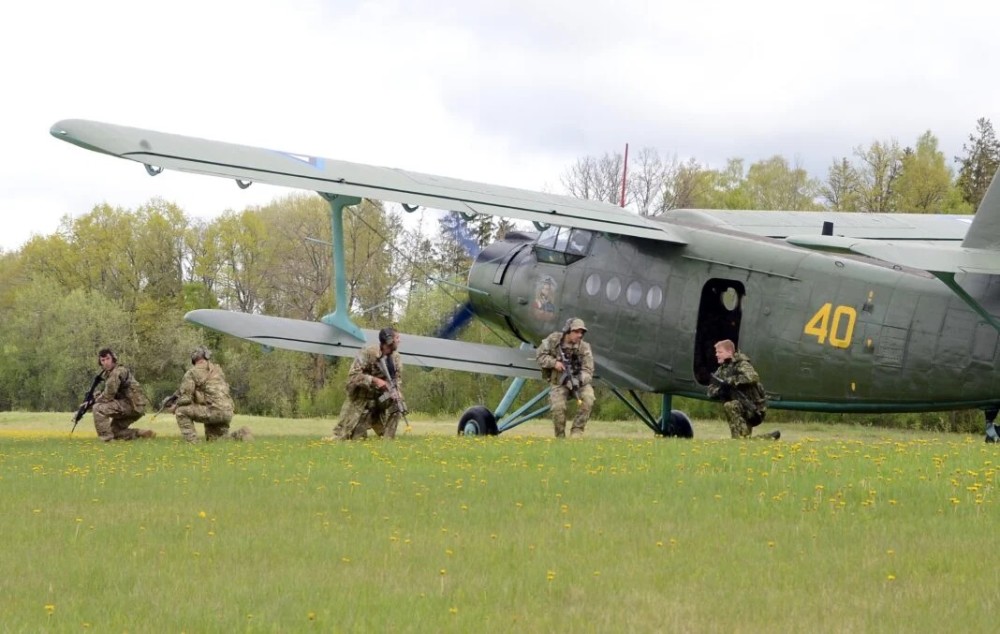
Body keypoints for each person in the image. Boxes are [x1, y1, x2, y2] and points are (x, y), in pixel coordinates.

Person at [332, 327, 405, 440]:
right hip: (362, 400)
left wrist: (396, 391)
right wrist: (374, 380)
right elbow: (353, 376)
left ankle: (388, 438)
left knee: (398, 404)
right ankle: (358, 429)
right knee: (351, 437)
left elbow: (397, 379)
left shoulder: (396, 358)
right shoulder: (368, 353)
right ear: (389, 340)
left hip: (380, 398)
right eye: (397, 338)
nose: (399, 340)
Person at [170, 347, 252, 442]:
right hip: (227, 411)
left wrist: (175, 406)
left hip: (213, 411)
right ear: (206, 357)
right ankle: (240, 434)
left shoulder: (192, 373)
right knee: (216, 441)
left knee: (181, 411)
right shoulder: (218, 370)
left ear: (193, 360)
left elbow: (186, 398)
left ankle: (192, 443)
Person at [536, 317, 595, 438]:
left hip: (579, 383)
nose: (580, 335)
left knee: (589, 398)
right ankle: (560, 437)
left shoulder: (584, 347)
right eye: (576, 331)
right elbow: (540, 355)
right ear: (568, 331)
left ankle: (577, 431)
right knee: (558, 407)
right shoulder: (554, 340)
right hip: (558, 382)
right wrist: (554, 363)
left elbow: (589, 370)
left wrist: (578, 379)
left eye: (582, 332)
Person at [707, 339, 778, 440]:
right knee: (743, 439)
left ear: (729, 352)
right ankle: (768, 437)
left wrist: (730, 381)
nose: (716, 355)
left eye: (719, 352)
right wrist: (720, 391)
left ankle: (761, 438)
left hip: (752, 408)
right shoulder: (722, 369)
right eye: (716, 352)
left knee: (729, 406)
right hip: (740, 407)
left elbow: (752, 377)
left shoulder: (742, 364)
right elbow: (710, 391)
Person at [90, 348, 154, 442]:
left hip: (131, 405)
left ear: (113, 359)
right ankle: (140, 433)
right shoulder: (111, 373)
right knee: (114, 432)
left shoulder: (116, 372)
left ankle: (107, 440)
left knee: (97, 408)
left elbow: (108, 396)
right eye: (103, 360)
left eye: (108, 359)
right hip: (136, 407)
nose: (106, 362)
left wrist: (91, 403)